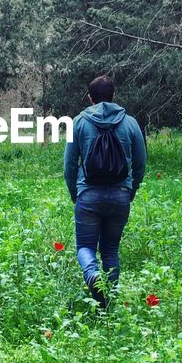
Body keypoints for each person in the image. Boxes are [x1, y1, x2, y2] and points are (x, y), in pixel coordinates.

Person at [63, 75, 146, 309]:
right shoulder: (130, 123)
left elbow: (69, 164)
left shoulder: (78, 122)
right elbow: (140, 163)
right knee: (110, 250)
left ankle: (92, 277)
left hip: (88, 195)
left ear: (90, 98)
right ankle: (108, 305)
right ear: (114, 96)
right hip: (120, 195)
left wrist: (75, 193)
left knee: (85, 247)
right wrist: (131, 189)